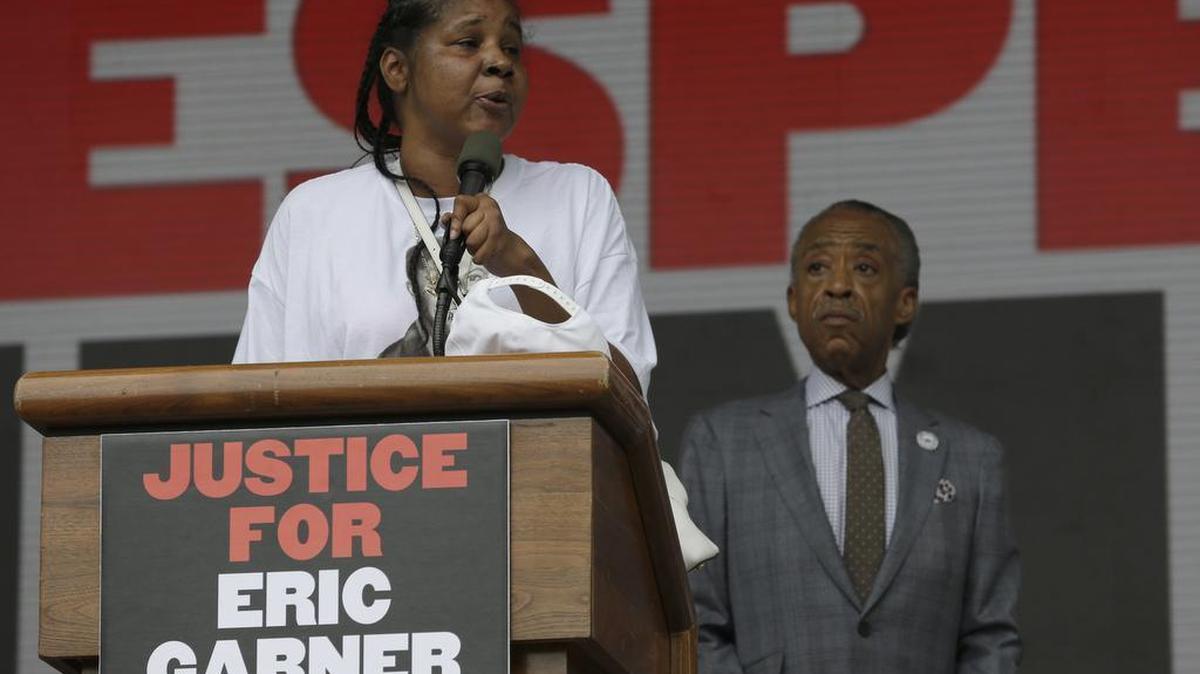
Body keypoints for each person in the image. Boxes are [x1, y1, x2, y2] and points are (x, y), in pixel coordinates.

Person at [232, 0, 653, 395]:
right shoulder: (314, 213)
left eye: (512, 48)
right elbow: (257, 401)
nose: (500, 62)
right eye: (469, 43)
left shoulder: (578, 196)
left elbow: (625, 393)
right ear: (397, 69)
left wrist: (523, 269)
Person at [677, 200, 1021, 674]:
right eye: (818, 267)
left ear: (905, 301)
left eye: (864, 267)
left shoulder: (971, 457)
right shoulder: (722, 441)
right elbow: (697, 622)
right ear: (794, 300)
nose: (837, 286)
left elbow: (990, 638)